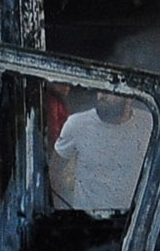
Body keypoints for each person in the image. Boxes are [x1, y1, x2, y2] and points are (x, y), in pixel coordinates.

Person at [48, 87, 152, 215]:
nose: (102, 96)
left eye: (111, 91)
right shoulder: (76, 124)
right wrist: (64, 210)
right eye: (101, 90)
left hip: (134, 219)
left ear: (129, 97)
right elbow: (53, 171)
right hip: (89, 221)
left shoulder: (148, 123)